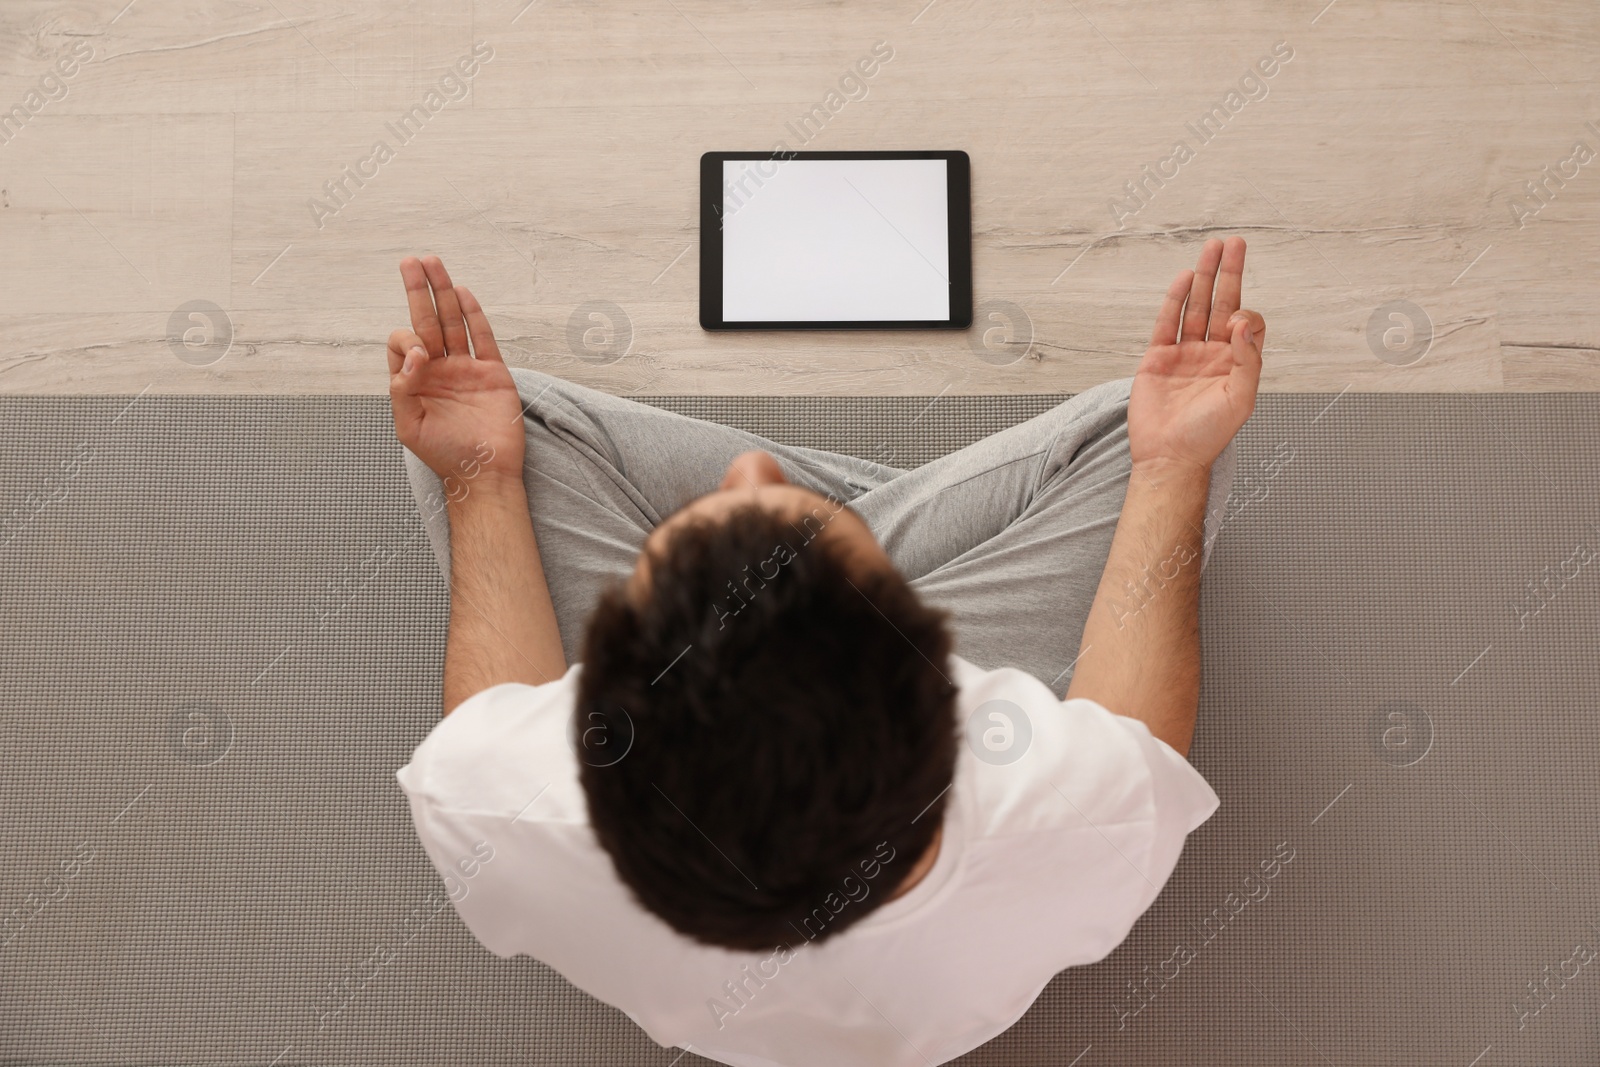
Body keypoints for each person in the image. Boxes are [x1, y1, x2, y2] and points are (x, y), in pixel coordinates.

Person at [390, 237, 1265, 1067]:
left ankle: (860, 524)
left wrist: (482, 474)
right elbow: (1140, 727)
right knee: (1157, 429)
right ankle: (879, 518)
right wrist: (1168, 467)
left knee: (489, 422)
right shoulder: (1064, 814)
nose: (754, 464)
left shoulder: (510, 806)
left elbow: (486, 710)